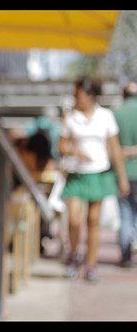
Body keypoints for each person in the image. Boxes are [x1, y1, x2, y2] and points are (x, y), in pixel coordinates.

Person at [58, 76, 130, 283]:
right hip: (76, 174)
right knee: (74, 218)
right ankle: (73, 255)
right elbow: (61, 145)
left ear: (90, 96)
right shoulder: (70, 117)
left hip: (98, 172)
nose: (75, 98)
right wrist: (75, 151)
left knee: (93, 221)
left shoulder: (105, 116)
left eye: (78, 94)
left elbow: (114, 148)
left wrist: (122, 177)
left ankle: (91, 265)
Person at [113, 81, 137, 268]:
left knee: (125, 214)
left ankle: (125, 255)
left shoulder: (116, 114)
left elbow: (110, 146)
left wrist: (124, 152)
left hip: (121, 173)